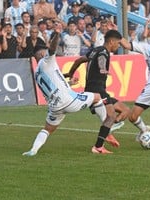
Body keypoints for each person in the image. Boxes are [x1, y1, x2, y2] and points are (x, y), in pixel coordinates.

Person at [22, 22, 114, 156]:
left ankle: (33, 150)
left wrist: (69, 83)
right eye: (44, 51)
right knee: (98, 96)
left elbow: (54, 86)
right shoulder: (46, 60)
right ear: (41, 54)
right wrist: (57, 33)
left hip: (55, 106)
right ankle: (108, 128)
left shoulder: (38, 73)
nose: (47, 52)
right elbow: (52, 49)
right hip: (69, 101)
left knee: (47, 129)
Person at [64, 30, 130, 148]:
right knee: (111, 116)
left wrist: (70, 72)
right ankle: (100, 144)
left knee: (125, 110)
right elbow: (101, 61)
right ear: (111, 41)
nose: (118, 46)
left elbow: (79, 60)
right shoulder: (104, 52)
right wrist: (103, 69)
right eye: (118, 43)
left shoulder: (95, 50)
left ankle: (109, 128)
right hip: (96, 91)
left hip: (96, 89)